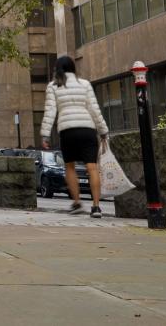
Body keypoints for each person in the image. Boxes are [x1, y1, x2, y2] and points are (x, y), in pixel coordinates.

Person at [39, 55, 109, 218]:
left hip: (68, 131)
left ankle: (77, 202)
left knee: (69, 166)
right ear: (73, 68)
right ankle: (96, 207)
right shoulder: (84, 84)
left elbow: (50, 111)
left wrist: (45, 135)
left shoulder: (53, 86)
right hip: (87, 130)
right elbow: (94, 109)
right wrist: (103, 130)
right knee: (92, 167)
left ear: (57, 69)